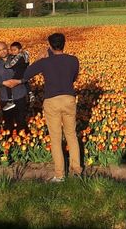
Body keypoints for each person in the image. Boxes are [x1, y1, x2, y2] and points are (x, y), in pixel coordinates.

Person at [22, 32, 82, 182]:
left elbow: (26, 74)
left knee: (56, 139)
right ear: (64, 43)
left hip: (52, 100)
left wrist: (39, 58)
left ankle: (60, 175)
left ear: (49, 45)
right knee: (72, 135)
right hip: (69, 98)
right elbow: (74, 78)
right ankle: (77, 171)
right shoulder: (73, 60)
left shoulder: (45, 62)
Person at [0, 41, 29, 131]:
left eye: (4, 49)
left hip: (20, 95)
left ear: (7, 49)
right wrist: (3, 83)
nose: (2, 52)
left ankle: (23, 140)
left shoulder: (19, 59)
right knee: (8, 123)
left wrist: (18, 82)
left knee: (21, 122)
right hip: (5, 98)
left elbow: (27, 75)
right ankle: (10, 141)